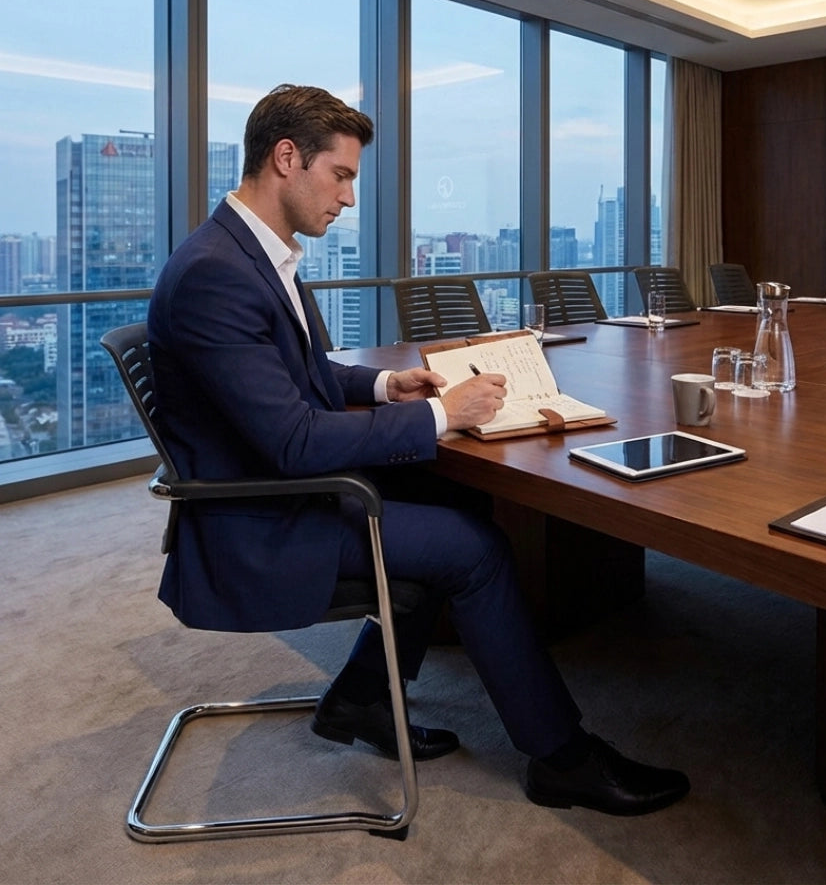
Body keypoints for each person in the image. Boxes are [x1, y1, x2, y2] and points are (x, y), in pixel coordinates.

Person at [147, 83, 689, 816]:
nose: (347, 197)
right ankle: (561, 757)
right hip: (260, 520)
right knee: (474, 548)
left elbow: (301, 377)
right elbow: (293, 438)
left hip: (286, 489)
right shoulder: (218, 272)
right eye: (340, 175)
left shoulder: (250, 253)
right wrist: (441, 412)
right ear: (286, 158)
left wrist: (384, 386)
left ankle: (360, 699)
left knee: (455, 495)